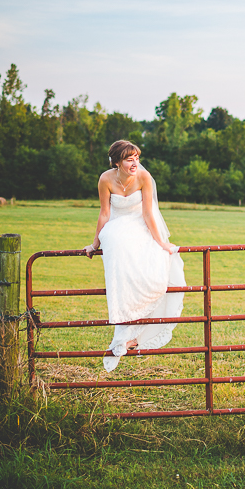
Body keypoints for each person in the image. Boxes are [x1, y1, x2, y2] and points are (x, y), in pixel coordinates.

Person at [83, 140, 186, 372]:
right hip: (117, 225)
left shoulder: (143, 177)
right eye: (130, 159)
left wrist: (161, 243)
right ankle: (123, 321)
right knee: (117, 243)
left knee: (153, 266)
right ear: (116, 162)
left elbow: (148, 213)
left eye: (137, 158)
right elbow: (104, 213)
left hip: (140, 226)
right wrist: (94, 243)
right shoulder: (105, 179)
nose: (135, 163)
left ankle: (136, 330)